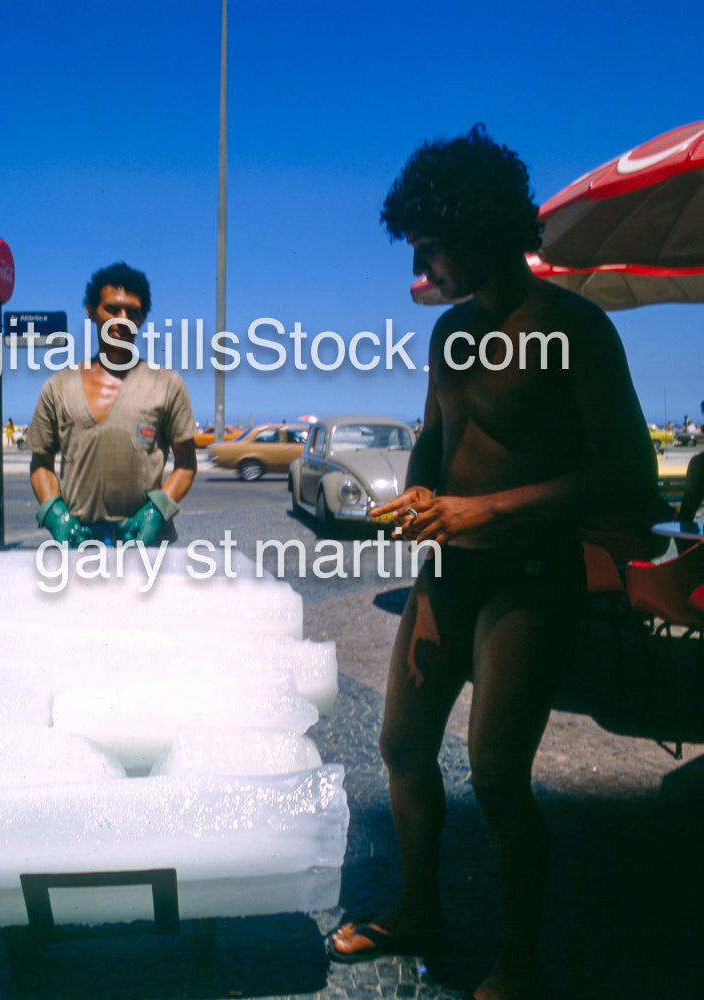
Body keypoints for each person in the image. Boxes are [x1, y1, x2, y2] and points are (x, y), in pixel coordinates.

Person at [327, 126, 669, 1000]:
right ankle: (418, 909)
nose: (419, 265)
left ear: (479, 228)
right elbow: (434, 440)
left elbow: (626, 474)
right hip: (449, 573)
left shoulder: (574, 327)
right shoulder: (449, 334)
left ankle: (519, 963)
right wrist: (418, 495)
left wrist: (487, 509)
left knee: (495, 775)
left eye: (428, 245)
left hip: (529, 579)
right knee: (401, 745)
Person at [26, 262, 196, 546]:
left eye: (133, 312)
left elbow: (187, 464)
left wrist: (157, 511)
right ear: (91, 311)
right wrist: (55, 515)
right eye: (112, 309)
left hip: (147, 548)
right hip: (80, 548)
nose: (123, 319)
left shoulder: (167, 384)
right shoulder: (58, 387)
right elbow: (41, 463)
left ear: (142, 319)